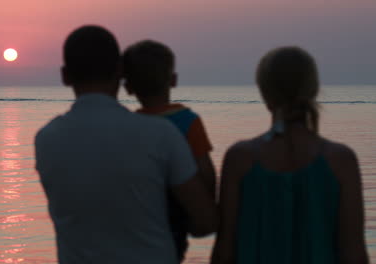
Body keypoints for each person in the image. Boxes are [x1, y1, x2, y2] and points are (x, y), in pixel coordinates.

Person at [34, 25, 216, 264]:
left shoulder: (46, 139)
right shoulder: (161, 134)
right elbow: (205, 222)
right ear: (120, 71)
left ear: (65, 76)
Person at [211, 47, 368, 264]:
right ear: (313, 90)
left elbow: (224, 253)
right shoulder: (341, 160)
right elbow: (354, 255)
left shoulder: (240, 158)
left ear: (265, 93)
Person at [123, 40, 216, 262]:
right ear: (173, 80)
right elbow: (206, 172)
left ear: (128, 87)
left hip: (138, 224)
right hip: (175, 221)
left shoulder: (128, 126)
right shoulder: (188, 122)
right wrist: (205, 213)